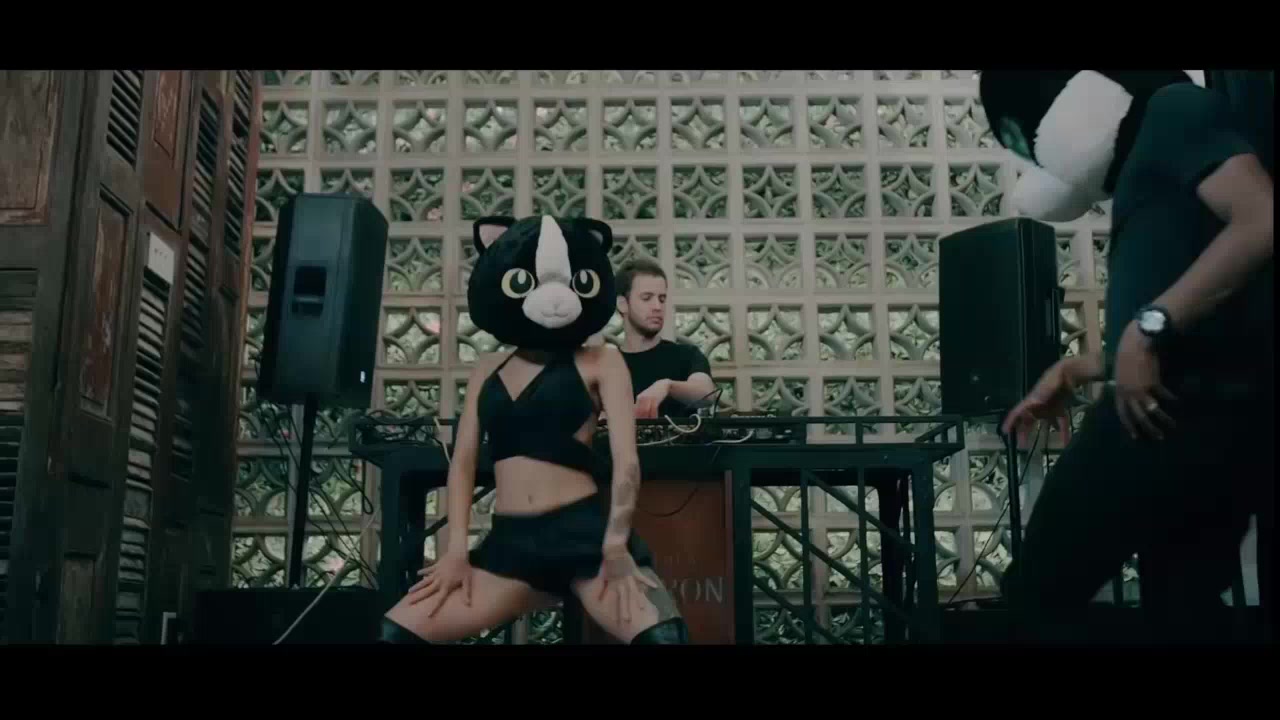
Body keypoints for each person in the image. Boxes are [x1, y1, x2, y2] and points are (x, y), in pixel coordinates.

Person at [982, 70, 1274, 644]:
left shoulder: (1177, 109)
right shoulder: (1160, 146)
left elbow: (1263, 219)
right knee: (1182, 613)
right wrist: (1082, 366)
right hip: (1204, 416)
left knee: (1035, 597)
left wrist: (1147, 328)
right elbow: (1203, 303)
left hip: (1164, 418)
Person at [378, 215, 688, 645]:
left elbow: (627, 463)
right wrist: (456, 552)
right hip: (511, 547)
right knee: (395, 634)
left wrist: (616, 544)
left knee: (665, 638)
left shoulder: (603, 360)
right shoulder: (487, 368)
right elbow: (463, 463)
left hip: (585, 540)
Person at [613, 259, 716, 419]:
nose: (657, 307)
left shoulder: (686, 355)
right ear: (622, 304)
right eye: (647, 298)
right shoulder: (608, 365)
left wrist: (668, 386)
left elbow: (707, 393)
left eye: (662, 299)